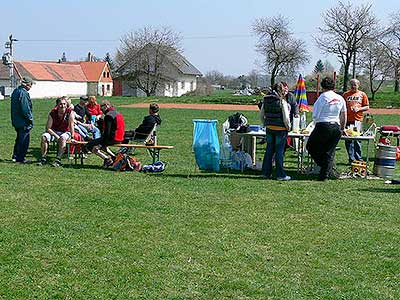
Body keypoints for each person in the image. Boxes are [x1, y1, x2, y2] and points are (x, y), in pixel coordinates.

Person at [306, 77, 347, 181]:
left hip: (323, 125)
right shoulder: (340, 98)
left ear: (322, 87)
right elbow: (344, 115)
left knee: (311, 146)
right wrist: (342, 128)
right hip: (336, 126)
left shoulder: (322, 98)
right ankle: (325, 173)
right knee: (329, 151)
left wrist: (314, 124)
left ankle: (325, 167)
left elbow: (315, 114)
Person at [260, 82, 291, 181]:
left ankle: (266, 173)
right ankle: (280, 174)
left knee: (269, 150)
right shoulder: (282, 101)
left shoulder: (265, 100)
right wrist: (288, 127)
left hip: (269, 128)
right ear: (281, 90)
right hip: (280, 129)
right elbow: (286, 117)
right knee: (279, 151)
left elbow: (261, 115)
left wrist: (265, 123)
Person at [84, 100, 125, 167]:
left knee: (90, 145)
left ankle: (107, 159)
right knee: (99, 143)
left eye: (102, 108)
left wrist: (100, 144)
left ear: (106, 106)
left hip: (112, 138)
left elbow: (107, 132)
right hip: (120, 138)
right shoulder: (117, 113)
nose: (101, 110)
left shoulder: (108, 116)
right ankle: (114, 157)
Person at [38, 97, 75, 167]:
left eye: (64, 104)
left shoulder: (70, 112)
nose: (63, 106)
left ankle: (58, 159)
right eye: (60, 104)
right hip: (54, 131)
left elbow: (71, 125)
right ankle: (43, 157)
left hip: (66, 131)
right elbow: (48, 128)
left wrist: (72, 137)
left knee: (62, 138)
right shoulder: (52, 113)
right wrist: (56, 136)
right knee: (44, 137)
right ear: (57, 105)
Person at [343, 78, 369, 163]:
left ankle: (359, 158)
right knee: (348, 140)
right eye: (351, 85)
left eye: (355, 85)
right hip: (348, 120)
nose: (353, 86)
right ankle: (351, 159)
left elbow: (367, 107)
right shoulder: (346, 94)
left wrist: (358, 109)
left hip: (357, 120)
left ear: (358, 85)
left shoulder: (362, 94)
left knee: (357, 139)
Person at [10, 76, 34, 164]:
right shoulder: (23, 93)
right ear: (27, 84)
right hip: (23, 121)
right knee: (24, 140)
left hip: (16, 120)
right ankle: (20, 157)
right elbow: (25, 108)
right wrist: (30, 119)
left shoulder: (15, 91)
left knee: (19, 138)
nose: (31, 87)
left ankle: (15, 156)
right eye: (30, 85)